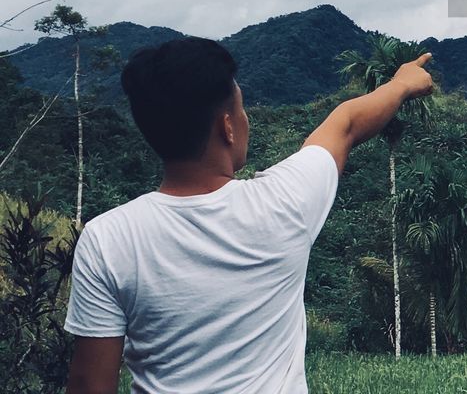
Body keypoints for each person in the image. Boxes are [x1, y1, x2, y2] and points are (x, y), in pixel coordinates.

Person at [63, 36, 434, 393]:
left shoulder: (106, 239)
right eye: (241, 109)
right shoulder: (285, 203)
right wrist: (401, 84)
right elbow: (346, 124)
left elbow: (90, 385)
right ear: (227, 126)